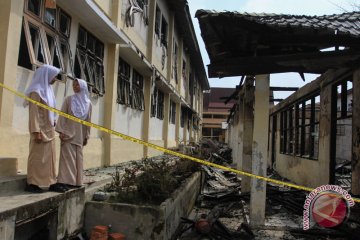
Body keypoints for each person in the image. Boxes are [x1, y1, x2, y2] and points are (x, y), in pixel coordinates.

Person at [24, 64, 66, 193]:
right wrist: (36, 131)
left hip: (49, 130)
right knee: (37, 157)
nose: (55, 79)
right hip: (40, 131)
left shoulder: (47, 90)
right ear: (46, 75)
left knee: (50, 159)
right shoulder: (36, 91)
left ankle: (51, 181)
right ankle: (32, 183)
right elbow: (34, 113)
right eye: (54, 76)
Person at [56, 79, 92, 189]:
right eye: (73, 84)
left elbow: (88, 121)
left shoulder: (88, 104)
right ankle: (65, 181)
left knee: (78, 159)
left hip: (80, 136)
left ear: (83, 86)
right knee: (67, 158)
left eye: (77, 84)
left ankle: (77, 182)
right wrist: (61, 130)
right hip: (68, 133)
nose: (75, 86)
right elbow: (63, 115)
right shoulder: (69, 100)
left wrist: (86, 136)